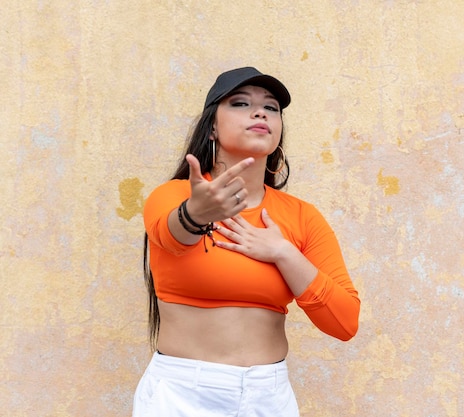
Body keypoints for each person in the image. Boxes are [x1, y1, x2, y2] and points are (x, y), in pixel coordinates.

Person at [133, 67, 361, 417]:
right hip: (182, 395)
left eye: (271, 108)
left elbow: (344, 323)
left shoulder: (301, 217)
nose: (260, 113)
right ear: (212, 126)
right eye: (240, 103)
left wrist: (282, 252)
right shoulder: (173, 195)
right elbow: (172, 236)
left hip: (268, 396)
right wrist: (197, 213)